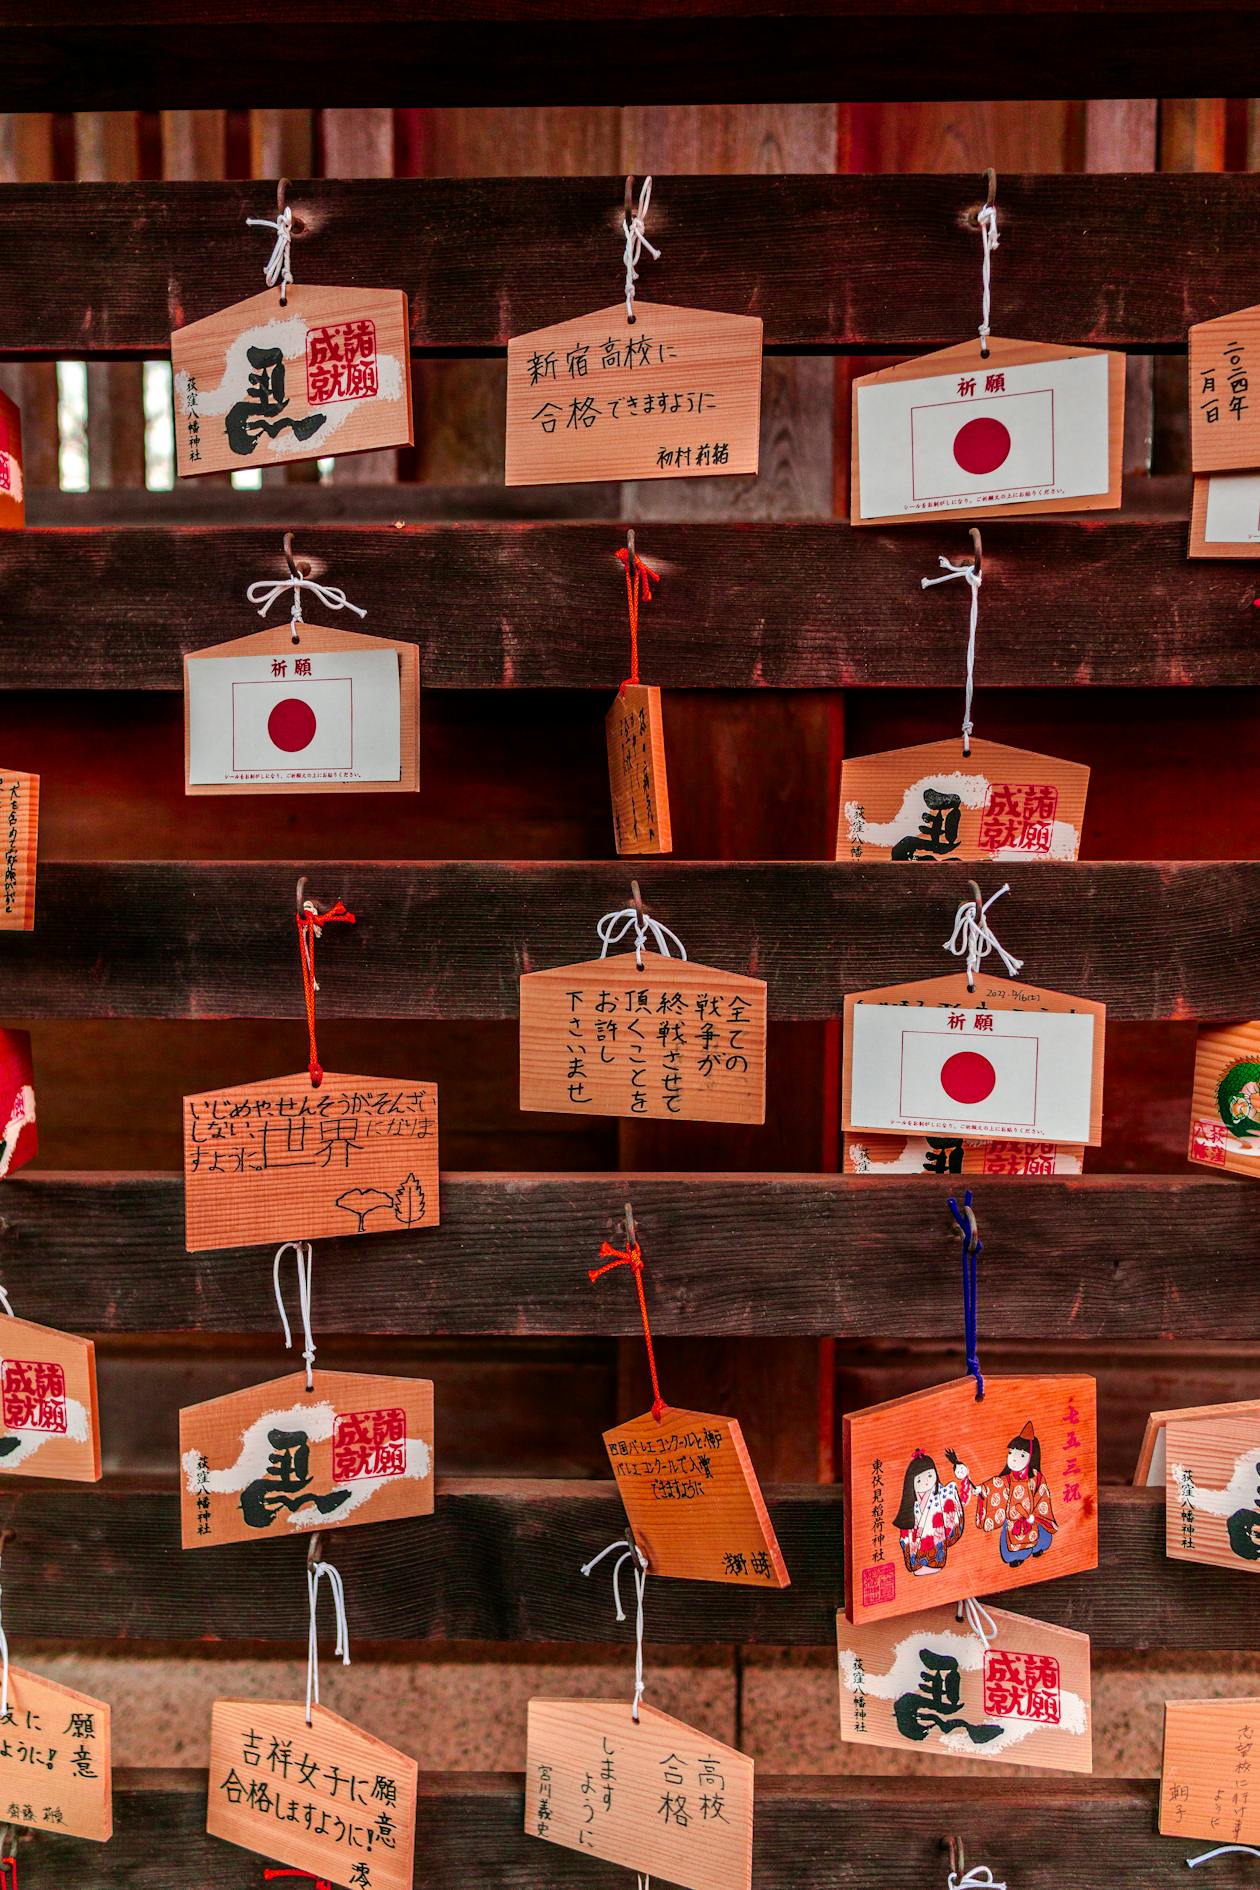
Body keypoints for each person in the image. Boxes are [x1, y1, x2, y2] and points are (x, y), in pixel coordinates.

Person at [973, 1421, 1057, 1565]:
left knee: (1040, 1535)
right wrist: (981, 1489)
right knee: (1013, 1542)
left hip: (1032, 1516)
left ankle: (1039, 1548)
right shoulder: (1007, 1479)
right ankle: (1016, 1558)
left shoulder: (1036, 1478)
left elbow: (1043, 1496)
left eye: (1022, 1455)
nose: (1014, 1458)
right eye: (1011, 1453)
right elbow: (996, 1484)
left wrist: (1034, 1515)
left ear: (1031, 1457)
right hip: (1014, 1520)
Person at [893, 1446, 972, 1576]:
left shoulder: (941, 1494)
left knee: (934, 1544)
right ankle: (917, 1566)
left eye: (930, 1475)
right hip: (917, 1538)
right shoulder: (912, 1503)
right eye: (919, 1480)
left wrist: (964, 1478)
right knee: (913, 1548)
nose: (925, 1482)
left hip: (935, 1536)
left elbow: (958, 1499)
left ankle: (935, 1563)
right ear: (911, 1482)